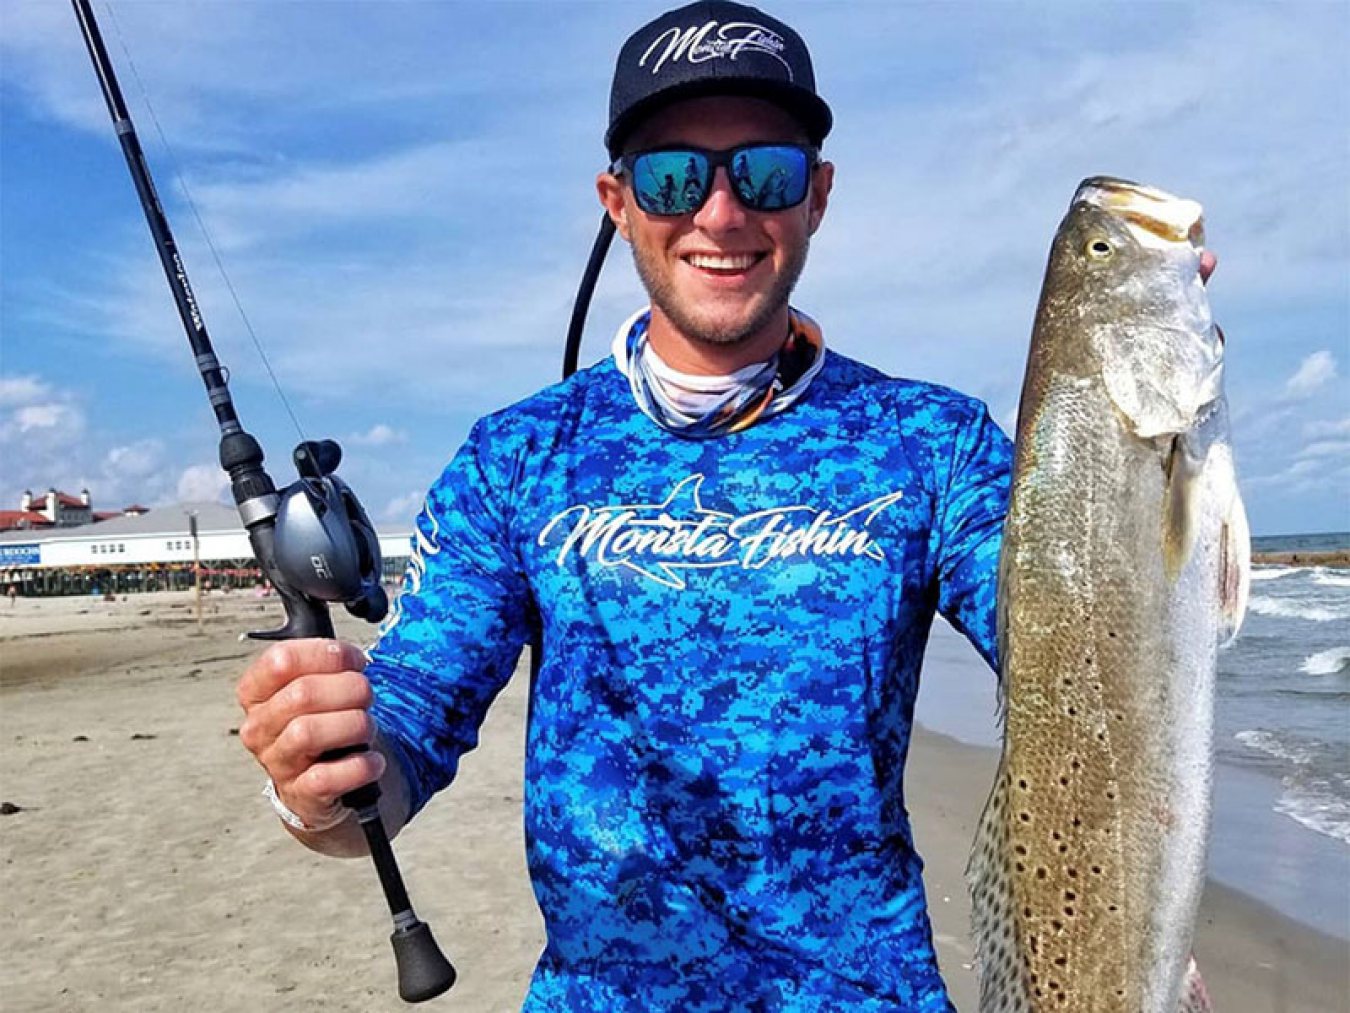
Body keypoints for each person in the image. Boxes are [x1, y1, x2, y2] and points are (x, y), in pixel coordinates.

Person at [235, 2, 1214, 1008]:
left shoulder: (932, 442)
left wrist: (1143, 419)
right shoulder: (518, 456)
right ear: (617, 201)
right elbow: (406, 728)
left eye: (766, 172)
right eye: (671, 175)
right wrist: (321, 773)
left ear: (817, 195)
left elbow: (1094, 664)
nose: (720, 211)